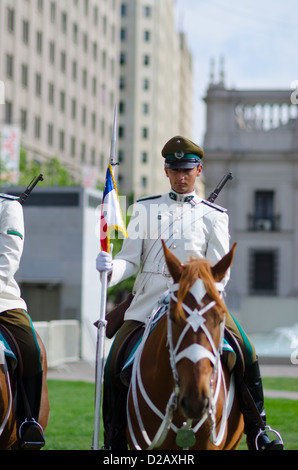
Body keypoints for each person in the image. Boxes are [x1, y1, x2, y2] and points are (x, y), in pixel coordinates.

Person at [96, 135, 283, 451]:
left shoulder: (214, 216)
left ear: (199, 170)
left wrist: (202, 295)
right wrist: (110, 269)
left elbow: (221, 271)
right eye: (175, 169)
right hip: (146, 306)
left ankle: (258, 429)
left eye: (188, 169)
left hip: (199, 304)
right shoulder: (143, 209)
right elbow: (130, 260)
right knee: (114, 362)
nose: (181, 176)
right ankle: (114, 437)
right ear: (166, 171)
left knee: (247, 351)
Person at [0, 194, 45, 449]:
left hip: (2, 300)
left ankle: (28, 422)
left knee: (30, 349)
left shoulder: (8, 207)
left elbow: (8, 260)